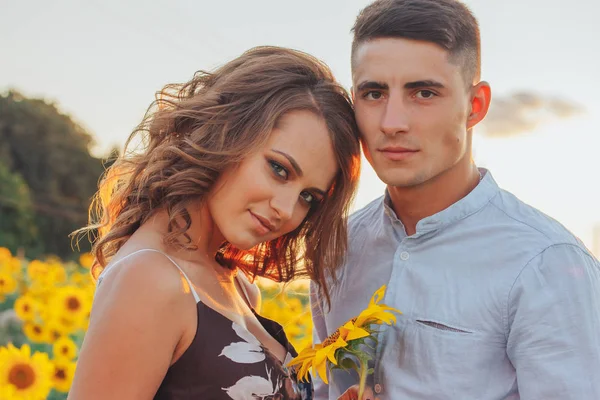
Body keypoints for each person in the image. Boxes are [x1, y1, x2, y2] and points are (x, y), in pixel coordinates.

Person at [311, 0, 600, 399]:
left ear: (475, 105)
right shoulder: (336, 248)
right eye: (374, 93)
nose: (392, 122)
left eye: (424, 93)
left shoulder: (545, 264)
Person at [69, 46, 361, 400]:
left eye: (308, 197)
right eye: (279, 169)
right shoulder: (150, 279)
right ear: (226, 133)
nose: (286, 210)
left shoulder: (236, 285)